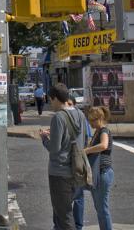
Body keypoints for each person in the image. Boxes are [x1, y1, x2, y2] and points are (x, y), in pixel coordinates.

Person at [39, 83, 88, 230]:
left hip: (59, 172)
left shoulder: (58, 117)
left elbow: (54, 149)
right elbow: (83, 141)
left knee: (64, 214)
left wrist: (44, 138)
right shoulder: (80, 114)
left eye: (51, 100)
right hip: (76, 169)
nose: (50, 103)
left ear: (55, 99)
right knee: (63, 211)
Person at [73, 105, 114, 230]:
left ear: (100, 118)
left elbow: (103, 145)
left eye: (92, 120)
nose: (90, 123)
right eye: (89, 120)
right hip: (99, 173)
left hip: (103, 173)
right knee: (100, 208)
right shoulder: (98, 131)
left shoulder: (104, 131)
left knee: (102, 209)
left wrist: (86, 150)